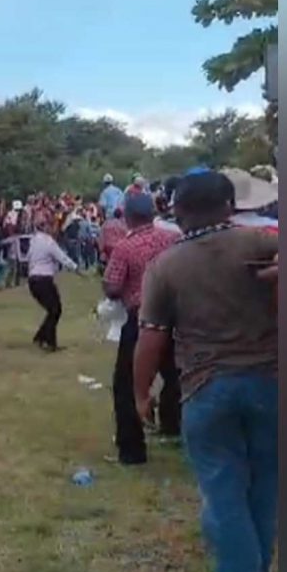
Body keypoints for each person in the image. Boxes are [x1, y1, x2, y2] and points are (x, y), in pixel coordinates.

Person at [134, 171, 278, 572]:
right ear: (230, 205)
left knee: (224, 496)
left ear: (178, 211)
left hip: (206, 387)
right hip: (272, 382)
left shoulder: (168, 265)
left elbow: (151, 340)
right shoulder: (263, 244)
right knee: (264, 492)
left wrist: (142, 393)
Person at [103, 193, 180, 465]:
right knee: (179, 376)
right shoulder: (172, 239)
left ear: (126, 217)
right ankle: (178, 429)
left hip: (141, 318)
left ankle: (132, 450)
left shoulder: (125, 247)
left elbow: (112, 287)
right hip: (177, 317)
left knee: (126, 383)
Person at [26, 219, 78, 352]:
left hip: (33, 280)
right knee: (55, 310)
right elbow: (62, 257)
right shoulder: (48, 242)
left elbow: (29, 258)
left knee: (53, 310)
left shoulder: (34, 240)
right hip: (44, 279)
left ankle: (41, 337)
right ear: (46, 228)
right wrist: (75, 267)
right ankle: (48, 341)